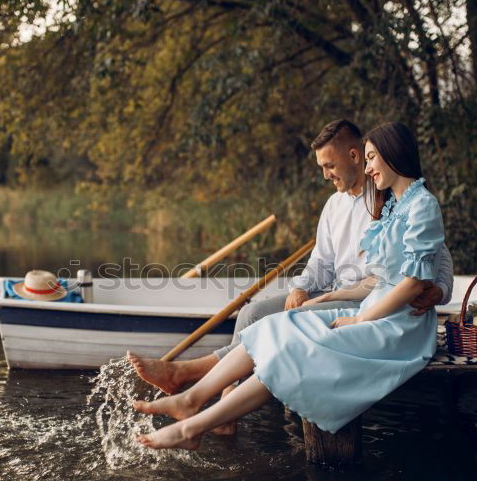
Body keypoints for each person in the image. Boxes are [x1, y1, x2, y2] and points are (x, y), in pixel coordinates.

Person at [134, 121, 445, 449]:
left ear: (384, 156)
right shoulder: (386, 204)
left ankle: (190, 397)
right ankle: (199, 402)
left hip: (387, 318)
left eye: (369, 159)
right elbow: (325, 264)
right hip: (363, 303)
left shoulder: (408, 203)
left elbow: (422, 274)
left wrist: (435, 292)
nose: (367, 168)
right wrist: (303, 290)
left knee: (288, 340)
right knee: (260, 317)